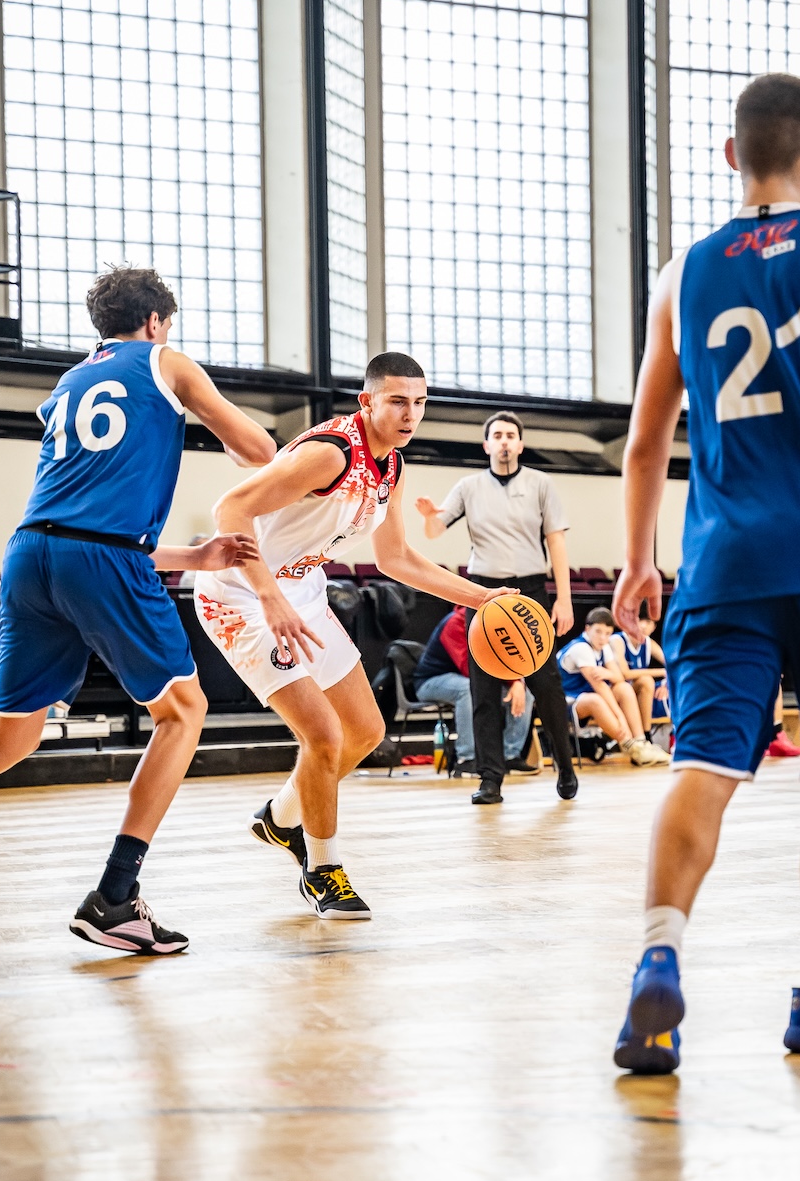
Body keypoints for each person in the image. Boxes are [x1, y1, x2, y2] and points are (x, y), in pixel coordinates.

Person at [0, 265, 275, 953]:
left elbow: (81, 524)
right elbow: (260, 451)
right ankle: (115, 896)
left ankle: (116, 897)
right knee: (184, 711)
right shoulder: (167, 360)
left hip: (30, 553)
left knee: (8, 740)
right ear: (156, 321)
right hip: (96, 557)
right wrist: (212, 418)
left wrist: (191, 557)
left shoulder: (69, 382)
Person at [612, 73, 800, 1074]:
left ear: (733, 156)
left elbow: (645, 443)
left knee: (702, 768)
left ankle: (658, 954)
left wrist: (640, 557)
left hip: (724, 562)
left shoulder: (681, 270)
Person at [194, 352, 517, 919]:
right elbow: (230, 509)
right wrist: (268, 598)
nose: (410, 414)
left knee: (364, 731)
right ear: (367, 401)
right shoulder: (330, 454)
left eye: (419, 402)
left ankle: (281, 817)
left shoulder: (390, 463)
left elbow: (396, 559)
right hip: (241, 595)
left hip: (300, 591)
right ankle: (323, 870)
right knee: (321, 734)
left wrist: (482, 597)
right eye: (397, 401)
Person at [415, 411, 577, 805]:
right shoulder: (468, 486)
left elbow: (556, 541)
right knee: (482, 688)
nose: (504, 441)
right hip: (483, 594)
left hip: (531, 592)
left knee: (548, 688)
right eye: (497, 436)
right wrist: (429, 517)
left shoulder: (541, 483)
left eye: (511, 435)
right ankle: (490, 778)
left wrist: (565, 597)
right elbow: (436, 531)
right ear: (486, 445)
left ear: (520, 444)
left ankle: (566, 766)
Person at [413, 605, 537, 776]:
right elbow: (469, 668)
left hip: (470, 678)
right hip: (431, 681)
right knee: (467, 689)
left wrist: (517, 682)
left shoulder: (495, 625)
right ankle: (466, 759)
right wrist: (512, 680)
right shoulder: (454, 623)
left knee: (525, 694)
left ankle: (510, 756)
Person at [557, 608, 670, 765]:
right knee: (596, 699)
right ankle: (630, 746)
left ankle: (641, 741)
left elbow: (618, 677)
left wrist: (608, 674)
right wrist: (621, 719)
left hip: (585, 698)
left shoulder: (604, 647)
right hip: (564, 701)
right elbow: (601, 688)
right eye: (598, 632)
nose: (603, 638)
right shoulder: (581, 648)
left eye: (607, 633)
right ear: (587, 629)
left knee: (623, 688)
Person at [609, 601, 670, 742]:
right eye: (639, 620)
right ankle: (643, 737)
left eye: (648, 622)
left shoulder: (648, 643)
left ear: (654, 627)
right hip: (615, 693)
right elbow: (624, 674)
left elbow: (673, 666)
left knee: (655, 685)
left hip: (634, 696)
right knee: (646, 680)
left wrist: (666, 684)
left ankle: (647, 736)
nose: (643, 625)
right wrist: (662, 672)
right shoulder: (617, 640)